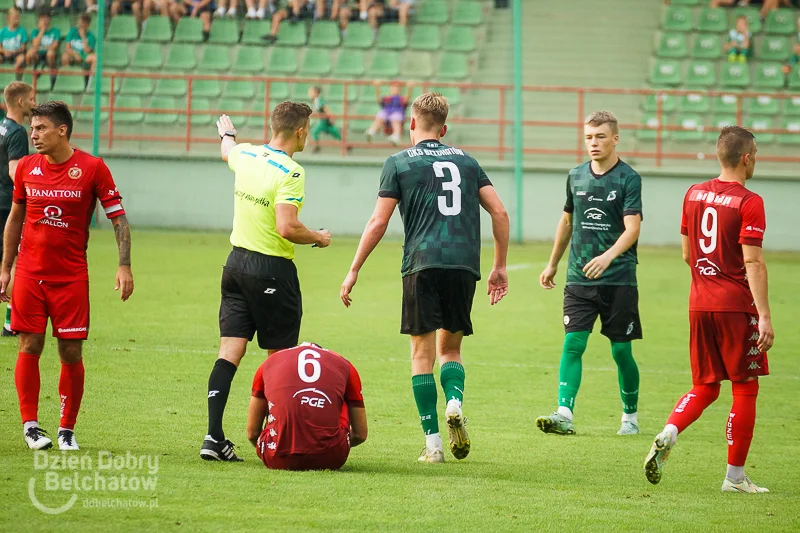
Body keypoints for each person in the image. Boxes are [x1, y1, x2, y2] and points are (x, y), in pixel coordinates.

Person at [340, 92, 510, 463]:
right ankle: (454, 401)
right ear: (444, 128)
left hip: (421, 263)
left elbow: (378, 222)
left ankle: (433, 445)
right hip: (463, 264)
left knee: (422, 354)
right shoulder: (467, 161)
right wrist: (499, 266)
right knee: (452, 349)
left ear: (412, 123)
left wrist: (354, 270)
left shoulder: (398, 163)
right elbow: (499, 211)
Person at [644, 127, 774, 494]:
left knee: (705, 385)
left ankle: (669, 430)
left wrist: (708, 281)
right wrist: (763, 315)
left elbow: (687, 254)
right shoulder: (750, 201)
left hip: (699, 302)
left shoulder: (693, 193)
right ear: (746, 157)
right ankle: (734, 477)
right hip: (735, 306)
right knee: (744, 388)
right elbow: (753, 262)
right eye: (757, 152)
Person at [200, 105, 331, 462]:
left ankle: (213, 437)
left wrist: (227, 134)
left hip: (236, 264)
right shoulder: (291, 171)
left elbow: (227, 150)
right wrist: (318, 237)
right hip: (272, 270)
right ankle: (280, 439)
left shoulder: (246, 154)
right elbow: (286, 227)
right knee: (280, 360)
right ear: (301, 131)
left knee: (229, 351)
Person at [0, 101, 134, 452]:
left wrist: (124, 265)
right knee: (29, 344)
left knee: (71, 351)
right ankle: (30, 426)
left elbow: (118, 218)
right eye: (32, 129)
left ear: (62, 130)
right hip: (29, 272)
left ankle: (66, 430)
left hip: (72, 275)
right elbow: (15, 219)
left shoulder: (92, 168)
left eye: (41, 128)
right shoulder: (27, 167)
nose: (34, 135)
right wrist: (5, 267)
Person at [536, 111, 643, 437]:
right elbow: (567, 220)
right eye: (588, 137)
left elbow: (633, 228)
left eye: (599, 137)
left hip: (619, 278)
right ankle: (564, 414)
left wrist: (608, 257)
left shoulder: (628, 178)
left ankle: (630, 417)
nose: (593, 143)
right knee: (573, 344)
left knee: (621, 351)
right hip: (579, 278)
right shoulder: (576, 176)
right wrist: (553, 262)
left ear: (615, 138)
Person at [246, 342, 368, 470]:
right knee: (340, 397)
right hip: (331, 458)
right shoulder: (345, 365)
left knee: (278, 399)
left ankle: (280, 439)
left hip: (276, 457)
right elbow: (360, 434)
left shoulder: (268, 363)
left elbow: (252, 433)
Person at [0, 82, 35, 338]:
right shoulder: (19, 132)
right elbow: (15, 171)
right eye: (32, 98)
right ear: (21, 102)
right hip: (6, 204)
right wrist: (35, 189)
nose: (35, 102)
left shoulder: (1, 127)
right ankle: (11, 323)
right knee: (13, 260)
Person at [365, 80, 413, 147]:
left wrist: (409, 88)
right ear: (390, 89)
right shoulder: (387, 98)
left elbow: (407, 99)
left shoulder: (401, 98)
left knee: (395, 118)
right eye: (393, 88)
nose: (395, 89)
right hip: (386, 114)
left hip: (397, 114)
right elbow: (379, 99)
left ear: (400, 90)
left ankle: (396, 136)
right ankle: (372, 131)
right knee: (380, 115)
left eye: (397, 88)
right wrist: (377, 87)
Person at [307, 85, 343, 154]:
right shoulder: (315, 101)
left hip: (324, 120)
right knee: (334, 132)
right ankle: (345, 145)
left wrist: (331, 116)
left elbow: (325, 108)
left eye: (311, 92)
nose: (309, 94)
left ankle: (316, 146)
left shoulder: (319, 100)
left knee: (315, 131)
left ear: (316, 92)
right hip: (323, 120)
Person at [0, 7, 28, 76]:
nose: (17, 18)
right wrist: (4, 51)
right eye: (15, 16)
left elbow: (23, 47)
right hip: (5, 53)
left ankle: (11, 75)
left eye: (18, 16)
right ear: (9, 17)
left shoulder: (22, 31)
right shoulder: (2, 31)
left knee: (21, 58)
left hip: (17, 53)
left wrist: (14, 51)